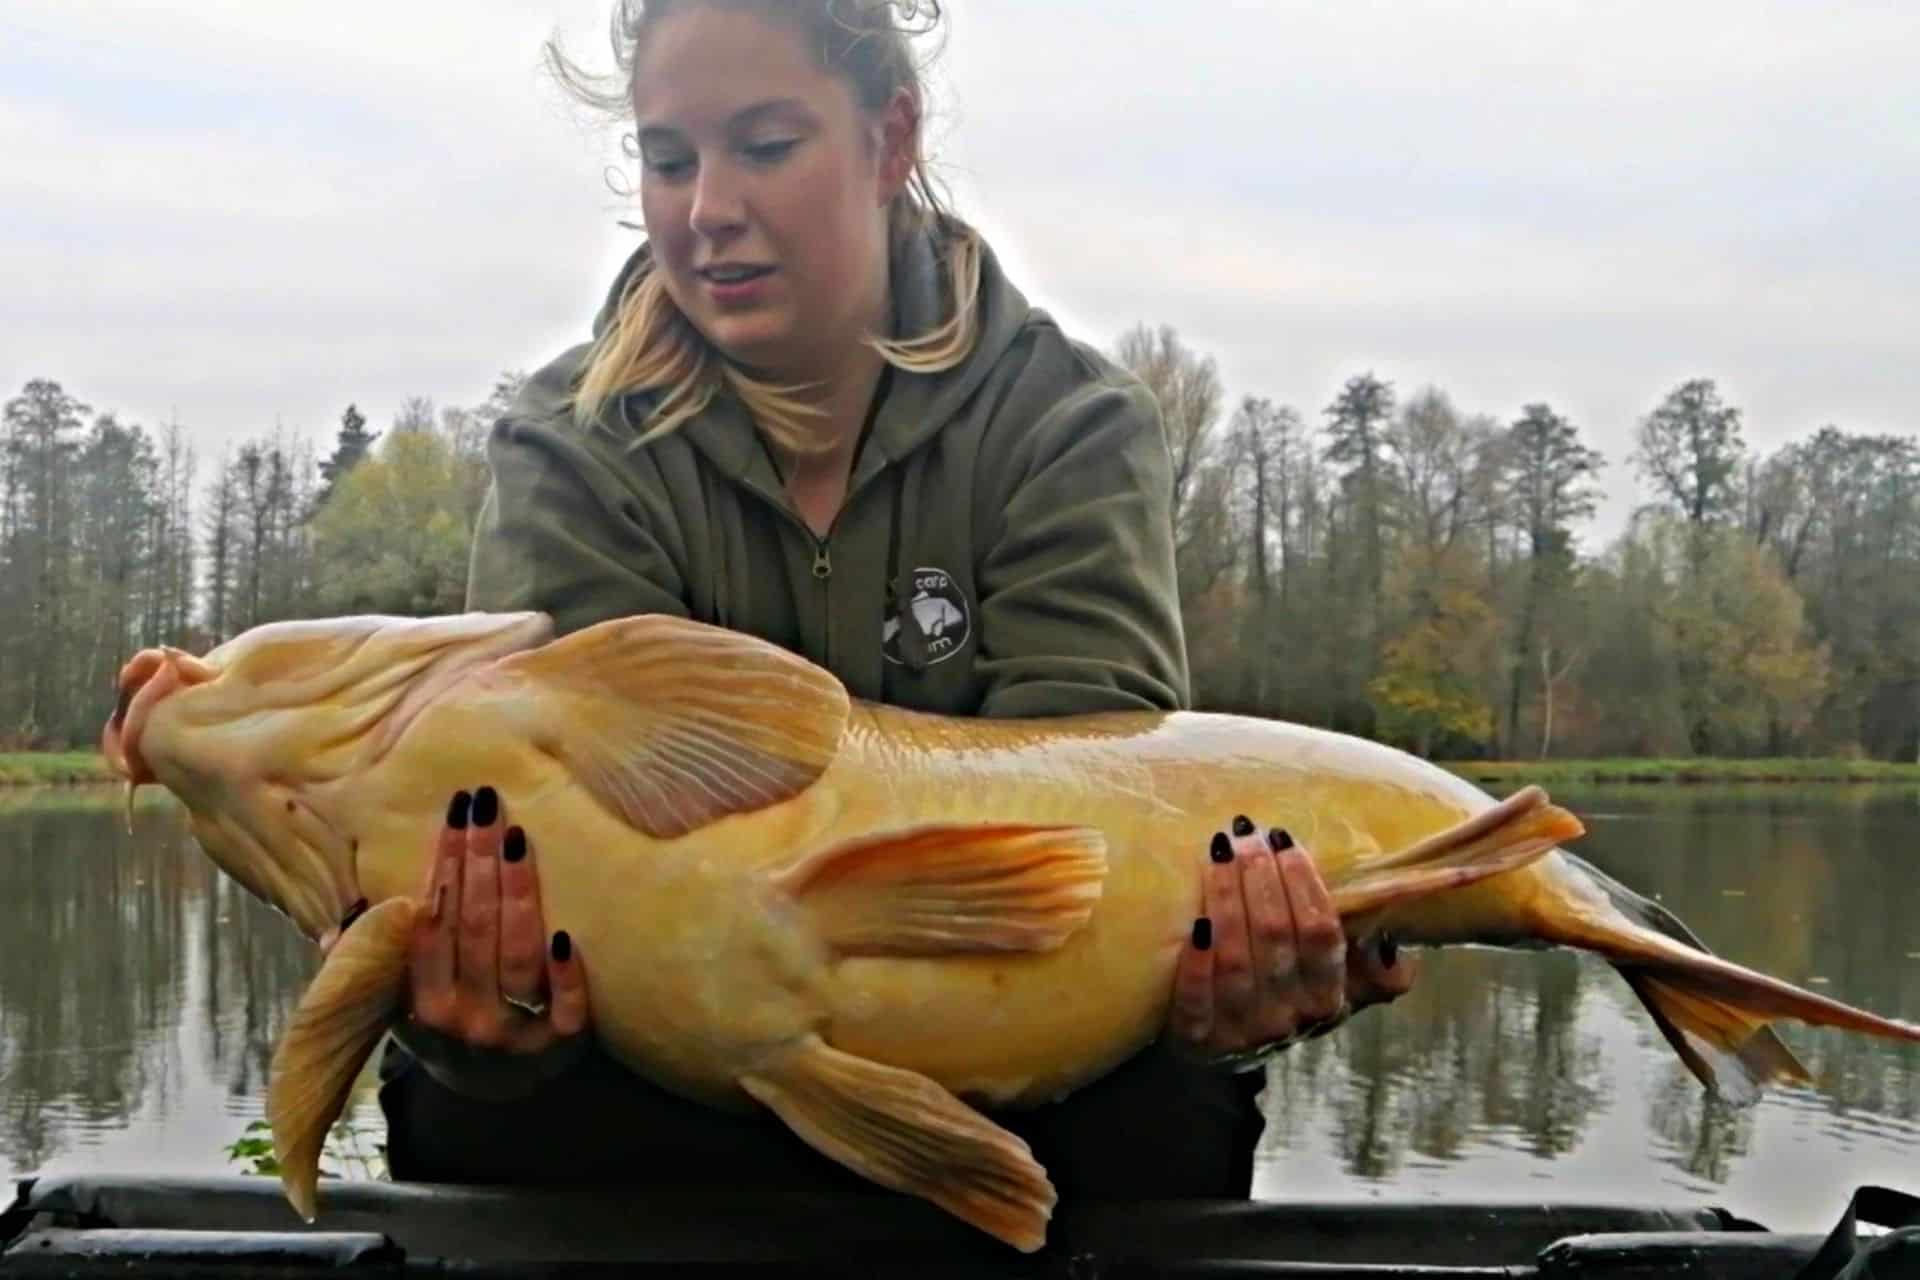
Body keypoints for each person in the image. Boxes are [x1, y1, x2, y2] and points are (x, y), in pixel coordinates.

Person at [362, 0, 1418, 1210]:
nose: (708, 209)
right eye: (669, 158)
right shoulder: (571, 445)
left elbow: (1101, 827)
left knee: (1172, 1093)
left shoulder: (1066, 425)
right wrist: (478, 1021)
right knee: (464, 1084)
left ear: (891, 137)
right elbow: (565, 846)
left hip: (1012, 1036)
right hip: (659, 1053)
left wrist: (1235, 1008)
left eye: (765, 146)